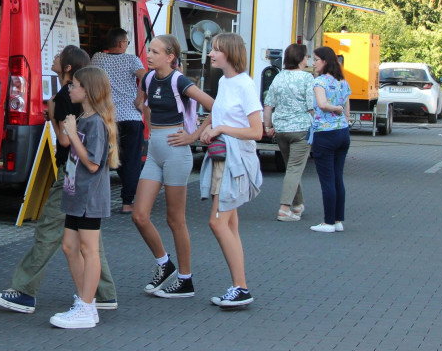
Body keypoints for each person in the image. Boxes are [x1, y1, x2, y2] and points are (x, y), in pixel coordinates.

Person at [0, 46, 118, 314]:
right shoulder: (87, 110)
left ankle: (28, 291)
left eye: (60, 56)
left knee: (52, 233)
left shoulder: (71, 104)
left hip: (74, 180)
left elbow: (88, 157)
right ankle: (99, 295)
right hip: (76, 180)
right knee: (84, 245)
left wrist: (55, 120)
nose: (54, 58)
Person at [132, 34, 215, 298]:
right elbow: (142, 104)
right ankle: (164, 264)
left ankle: (186, 279)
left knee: (175, 219)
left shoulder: (179, 80)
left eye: (155, 52)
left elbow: (215, 106)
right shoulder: (147, 77)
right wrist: (149, 126)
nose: (150, 54)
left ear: (170, 57)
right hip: (155, 150)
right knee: (139, 215)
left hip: (176, 152)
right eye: (150, 50)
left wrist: (193, 136)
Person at [49, 66, 120, 329]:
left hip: (89, 196)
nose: (71, 88)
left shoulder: (96, 123)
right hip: (75, 193)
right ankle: (84, 301)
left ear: (87, 90)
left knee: (89, 250)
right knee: (69, 247)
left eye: (75, 85)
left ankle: (87, 307)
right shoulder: (85, 118)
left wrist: (71, 130)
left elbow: (92, 163)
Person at [198, 33, 263, 309]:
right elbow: (219, 114)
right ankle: (239, 286)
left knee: (218, 222)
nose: (211, 54)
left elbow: (256, 132)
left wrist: (220, 129)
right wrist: (201, 132)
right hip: (223, 157)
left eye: (216, 50)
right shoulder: (225, 82)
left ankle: (241, 287)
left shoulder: (244, 85)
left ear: (230, 54)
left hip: (234, 159)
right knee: (230, 223)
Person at [91, 28, 146, 214]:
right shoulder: (132, 60)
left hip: (107, 118)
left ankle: (98, 202)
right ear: (122, 43)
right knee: (131, 160)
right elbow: (145, 77)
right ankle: (127, 202)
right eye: (127, 42)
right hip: (131, 117)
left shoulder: (97, 59)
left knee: (106, 159)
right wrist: (140, 100)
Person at [263, 43, 316, 222]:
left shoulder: (279, 77)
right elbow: (312, 106)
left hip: (281, 130)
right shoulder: (308, 78)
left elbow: (268, 104)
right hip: (301, 129)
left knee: (292, 169)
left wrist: (268, 127)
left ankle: (298, 204)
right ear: (301, 59)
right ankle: (284, 209)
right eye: (307, 56)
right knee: (294, 169)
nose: (308, 59)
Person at [307, 46, 352, 233]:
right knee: (337, 178)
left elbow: (322, 104)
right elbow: (347, 104)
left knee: (327, 179)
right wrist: (344, 117)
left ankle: (328, 222)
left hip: (325, 133)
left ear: (324, 61)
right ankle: (338, 219)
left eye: (316, 59)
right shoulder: (342, 81)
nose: (313, 63)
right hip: (342, 132)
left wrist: (335, 109)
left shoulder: (320, 82)